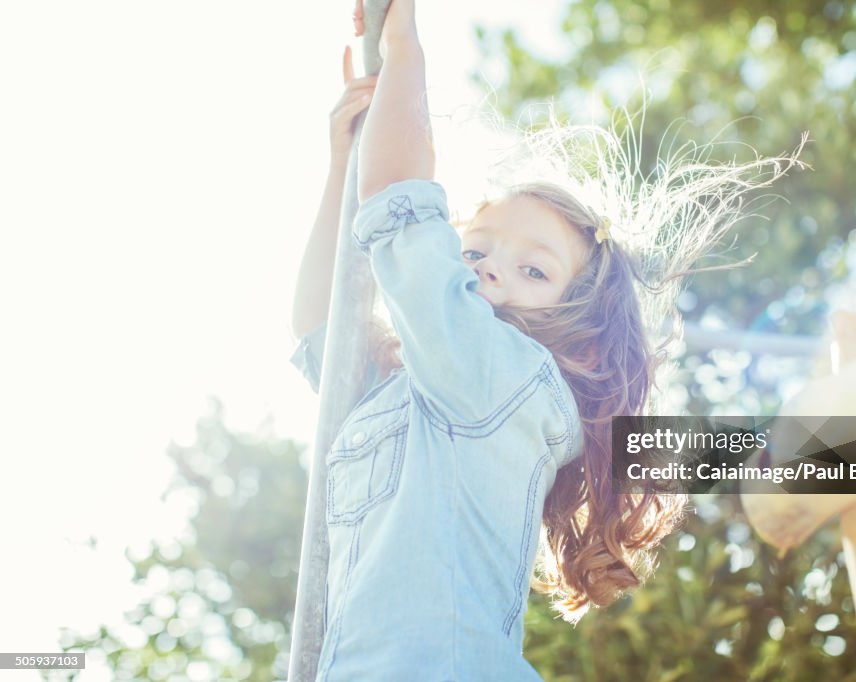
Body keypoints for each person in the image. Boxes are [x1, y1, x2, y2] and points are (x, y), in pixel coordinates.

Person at [290, 1, 798, 678]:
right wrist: (341, 172)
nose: (492, 267)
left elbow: (401, 200)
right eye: (475, 251)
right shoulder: (411, 389)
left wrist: (404, 47)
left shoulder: (502, 377)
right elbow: (324, 328)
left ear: (577, 324)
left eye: (535, 269)